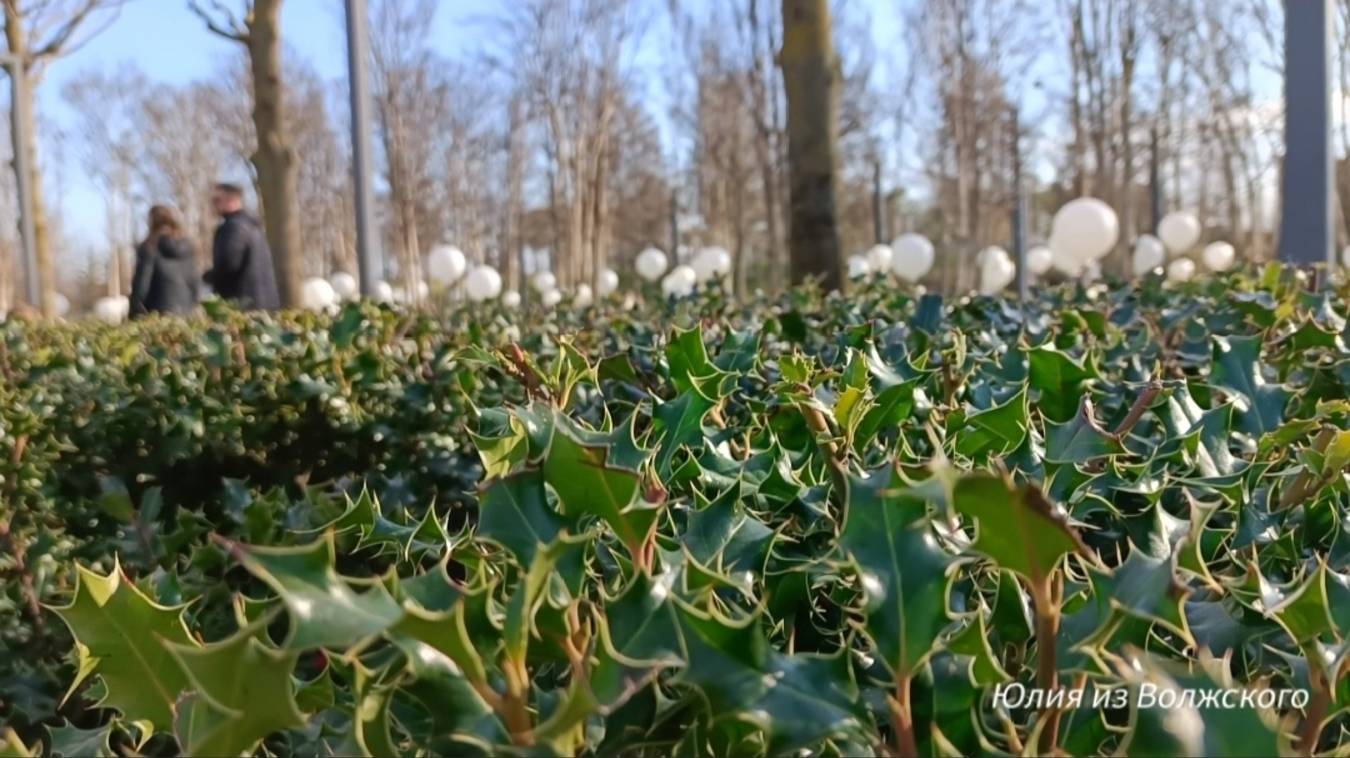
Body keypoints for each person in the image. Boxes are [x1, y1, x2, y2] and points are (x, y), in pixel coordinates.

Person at [203, 183, 280, 310]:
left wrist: (208, 277)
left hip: (242, 304)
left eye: (217, 200)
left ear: (231, 200)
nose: (213, 205)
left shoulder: (233, 227)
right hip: (262, 302)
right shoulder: (252, 225)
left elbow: (229, 264)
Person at [130, 205, 200, 318]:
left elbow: (142, 284)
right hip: (187, 313)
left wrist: (135, 311)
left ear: (151, 222)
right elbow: (195, 281)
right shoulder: (188, 247)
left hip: (158, 314)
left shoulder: (149, 247)